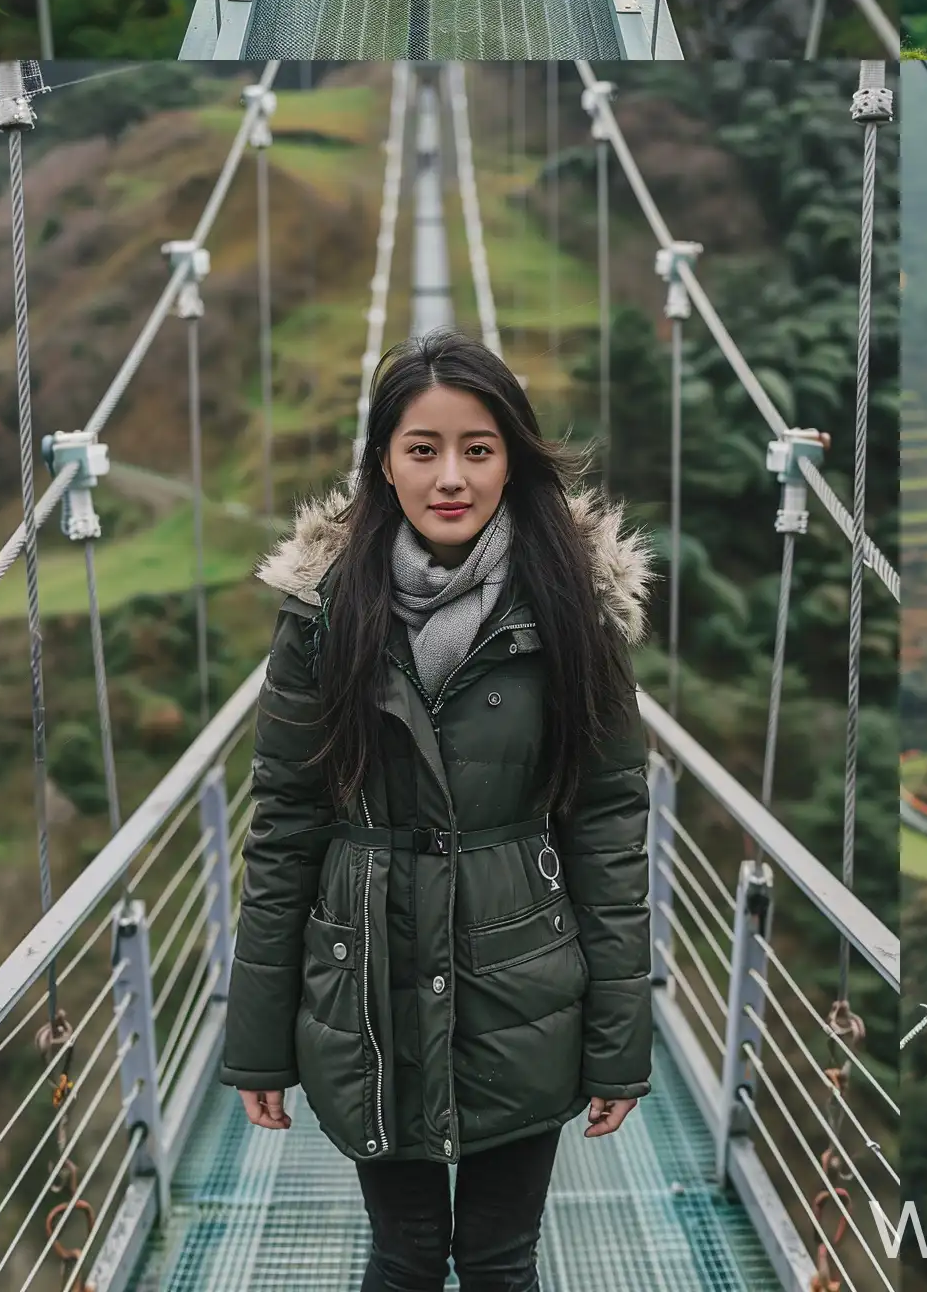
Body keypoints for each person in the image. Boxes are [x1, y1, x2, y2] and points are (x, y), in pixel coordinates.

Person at [222, 331, 652, 1292]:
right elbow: (286, 824)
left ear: (513, 458)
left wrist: (619, 1047)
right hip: (370, 977)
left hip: (522, 983)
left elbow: (608, 828)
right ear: (383, 460)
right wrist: (256, 1042)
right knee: (405, 1256)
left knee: (502, 1264)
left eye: (479, 448)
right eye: (423, 449)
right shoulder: (325, 611)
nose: (450, 476)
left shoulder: (578, 608)